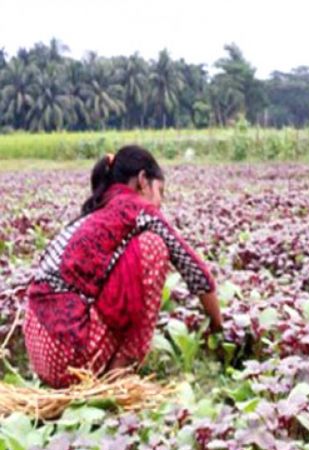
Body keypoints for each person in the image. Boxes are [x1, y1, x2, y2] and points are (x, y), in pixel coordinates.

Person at [24, 145, 222, 388]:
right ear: (142, 181)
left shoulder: (95, 214)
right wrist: (217, 326)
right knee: (154, 247)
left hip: (41, 353)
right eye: (161, 191)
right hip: (69, 360)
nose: (160, 203)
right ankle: (119, 376)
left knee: (126, 262)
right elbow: (194, 269)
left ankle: (100, 372)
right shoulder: (136, 207)